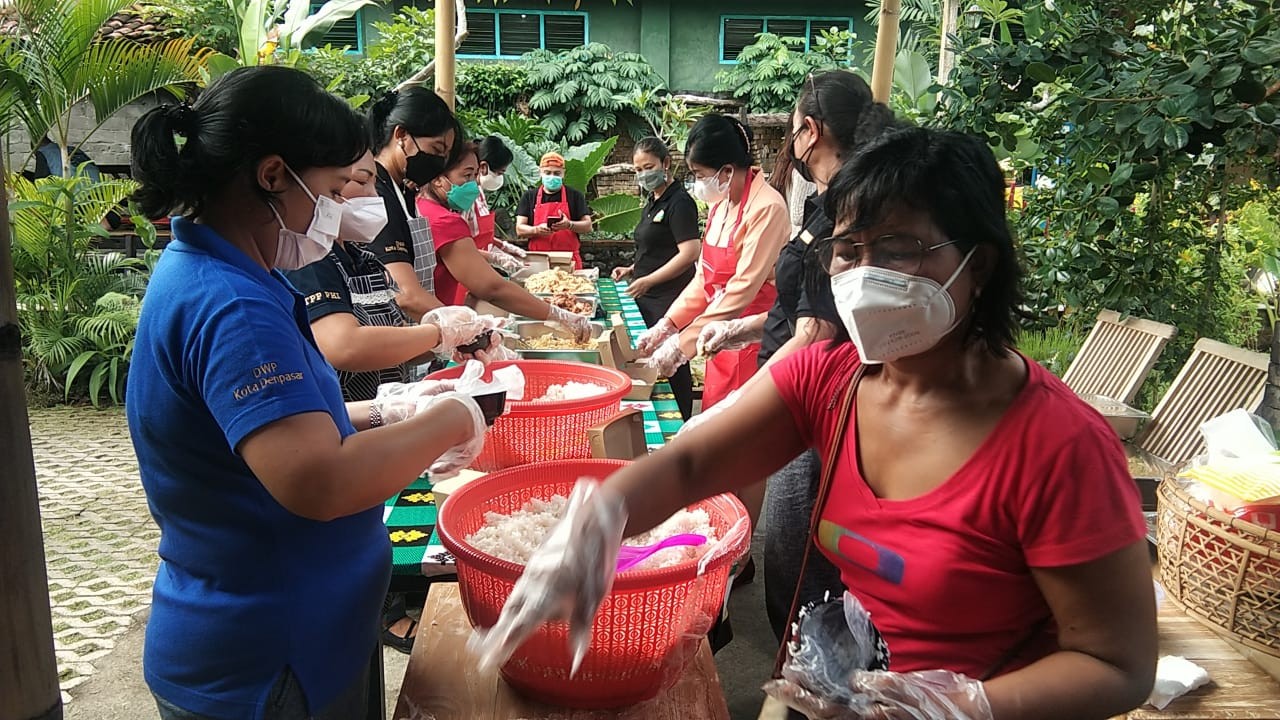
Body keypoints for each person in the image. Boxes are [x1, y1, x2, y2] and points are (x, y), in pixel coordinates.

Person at [477, 128, 1159, 720]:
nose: (864, 275)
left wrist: (972, 706)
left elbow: (1116, 664)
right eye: (849, 249)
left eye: (899, 248)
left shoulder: (1058, 447)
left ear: (977, 265)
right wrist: (604, 516)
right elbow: (689, 464)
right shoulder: (831, 380)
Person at [126, 66, 491, 720]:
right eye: (327, 190)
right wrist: (454, 417)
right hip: (268, 657)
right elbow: (321, 481)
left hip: (299, 631)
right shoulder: (232, 304)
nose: (335, 209)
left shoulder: (231, 274)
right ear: (272, 176)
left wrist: (384, 412)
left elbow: (268, 431)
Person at [693, 72, 897, 642]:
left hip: (814, 408)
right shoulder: (826, 203)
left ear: (809, 130)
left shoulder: (850, 210)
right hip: (790, 385)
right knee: (794, 559)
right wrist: (740, 329)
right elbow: (799, 306)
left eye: (792, 130)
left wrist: (732, 414)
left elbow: (817, 333)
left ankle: (809, 681)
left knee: (800, 566)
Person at [633, 115, 790, 412]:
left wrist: (682, 345)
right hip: (716, 338)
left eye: (699, 173)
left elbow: (742, 288)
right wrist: (668, 324)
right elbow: (703, 279)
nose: (697, 183)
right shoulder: (720, 205)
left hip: (752, 339)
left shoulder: (767, 208)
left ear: (727, 170)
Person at [417, 142, 595, 340]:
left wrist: (502, 248)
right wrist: (558, 315)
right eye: (467, 175)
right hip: (438, 317)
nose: (474, 183)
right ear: (438, 179)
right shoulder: (444, 220)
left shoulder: (419, 207)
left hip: (431, 317)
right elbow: (493, 288)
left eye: (475, 176)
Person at [610, 137, 700, 420]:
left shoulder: (680, 202)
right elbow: (654, 248)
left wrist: (650, 280)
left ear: (666, 163)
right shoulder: (653, 200)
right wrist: (633, 269)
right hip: (647, 294)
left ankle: (681, 421)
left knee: (674, 360)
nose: (643, 174)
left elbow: (688, 253)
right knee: (654, 360)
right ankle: (658, 414)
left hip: (671, 297)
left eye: (648, 167)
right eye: (637, 169)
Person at [366, 88, 465, 321]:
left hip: (417, 332)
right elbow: (406, 294)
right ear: (401, 135)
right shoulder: (376, 192)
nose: (439, 162)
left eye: (445, 155)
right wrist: (467, 324)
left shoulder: (403, 189)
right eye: (436, 150)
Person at [516, 152, 593, 269]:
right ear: (540, 172)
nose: (552, 176)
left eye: (557, 173)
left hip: (568, 260)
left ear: (563, 174)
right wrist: (536, 229)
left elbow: (588, 226)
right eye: (547, 173)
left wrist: (569, 225)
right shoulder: (529, 196)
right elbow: (520, 229)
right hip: (538, 260)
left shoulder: (575, 196)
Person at [468, 135, 527, 274]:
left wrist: (504, 246)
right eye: (500, 173)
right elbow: (461, 244)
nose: (501, 178)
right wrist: (496, 258)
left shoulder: (480, 192)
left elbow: (480, 235)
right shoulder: (463, 198)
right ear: (483, 167)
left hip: (481, 266)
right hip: (468, 266)